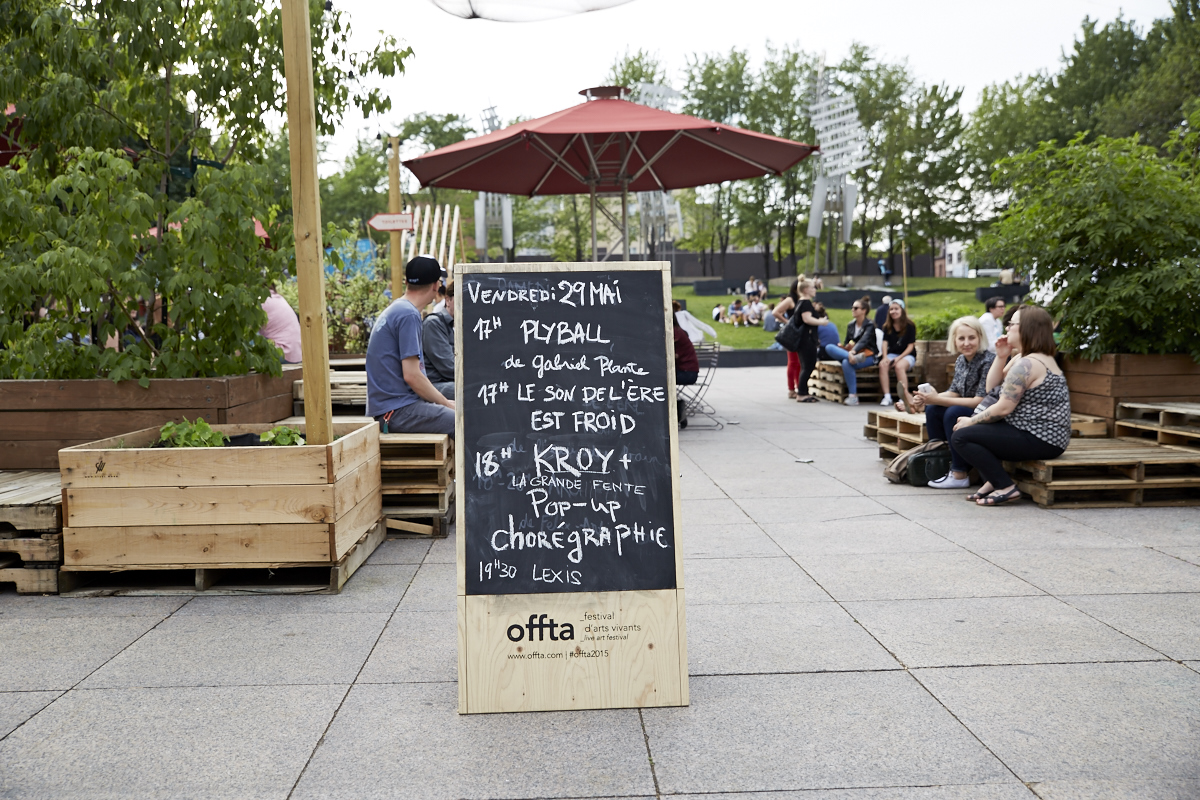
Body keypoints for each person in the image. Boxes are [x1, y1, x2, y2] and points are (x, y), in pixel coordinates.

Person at [951, 305, 1071, 506]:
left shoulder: (1028, 364)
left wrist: (970, 422)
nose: (1007, 328)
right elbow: (992, 387)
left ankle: (1005, 486)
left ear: (1026, 329)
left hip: (1041, 438)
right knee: (975, 431)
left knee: (961, 437)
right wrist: (1000, 356)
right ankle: (993, 480)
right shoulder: (1025, 358)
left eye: (1012, 324)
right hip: (1042, 435)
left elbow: (1004, 408)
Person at [365, 255, 455, 436]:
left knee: (457, 408)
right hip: (396, 410)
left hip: (392, 406)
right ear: (436, 285)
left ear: (406, 282)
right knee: (462, 420)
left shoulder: (399, 308)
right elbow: (412, 376)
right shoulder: (408, 315)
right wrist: (445, 403)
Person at [908, 317, 996, 489]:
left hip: (987, 413)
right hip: (967, 409)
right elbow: (954, 391)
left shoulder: (989, 361)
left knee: (953, 413)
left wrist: (937, 398)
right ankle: (940, 462)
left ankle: (959, 473)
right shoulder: (961, 361)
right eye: (961, 338)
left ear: (980, 338)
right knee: (933, 409)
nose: (966, 343)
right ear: (954, 341)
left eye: (972, 338)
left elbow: (980, 401)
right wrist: (928, 399)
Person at [821, 295, 877, 406]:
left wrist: (852, 352)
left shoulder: (869, 325)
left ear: (864, 311)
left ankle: (853, 397)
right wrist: (845, 347)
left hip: (867, 356)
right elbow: (848, 341)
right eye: (852, 307)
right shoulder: (851, 325)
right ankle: (850, 358)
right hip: (853, 355)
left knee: (847, 363)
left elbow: (864, 341)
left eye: (856, 308)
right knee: (829, 347)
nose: (853, 310)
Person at [789, 278, 832, 404]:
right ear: (806, 290)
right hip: (807, 340)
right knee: (808, 366)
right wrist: (821, 322)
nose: (815, 290)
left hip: (805, 339)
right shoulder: (806, 303)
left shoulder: (801, 302)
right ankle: (801, 393)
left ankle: (803, 391)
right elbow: (807, 319)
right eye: (813, 287)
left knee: (806, 366)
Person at [878, 299, 916, 407]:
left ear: (902, 310)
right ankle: (887, 396)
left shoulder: (909, 326)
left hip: (907, 355)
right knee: (883, 365)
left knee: (899, 367)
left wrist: (898, 358)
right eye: (891, 309)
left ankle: (903, 397)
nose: (893, 311)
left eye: (896, 309)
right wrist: (885, 357)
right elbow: (884, 343)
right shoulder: (887, 326)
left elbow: (910, 346)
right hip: (892, 354)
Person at [422, 279, 455, 400]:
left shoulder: (453, 326)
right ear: (448, 300)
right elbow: (448, 367)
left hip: (446, 382)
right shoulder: (434, 323)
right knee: (473, 389)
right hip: (435, 385)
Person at [773, 279, 802, 398]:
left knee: (799, 363)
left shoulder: (802, 300)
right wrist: (788, 322)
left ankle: (799, 387)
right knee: (793, 362)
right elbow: (776, 312)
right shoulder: (790, 300)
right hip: (792, 334)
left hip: (801, 333)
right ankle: (791, 389)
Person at [260, 286, 302, 363]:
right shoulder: (276, 297)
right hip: (297, 354)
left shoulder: (260, 301)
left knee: (250, 337)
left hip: (284, 354)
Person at [673, 313, 699, 428]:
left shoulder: (674, 332)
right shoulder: (677, 330)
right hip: (688, 372)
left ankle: (677, 408)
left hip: (687, 373)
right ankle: (678, 407)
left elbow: (673, 356)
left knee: (658, 379)